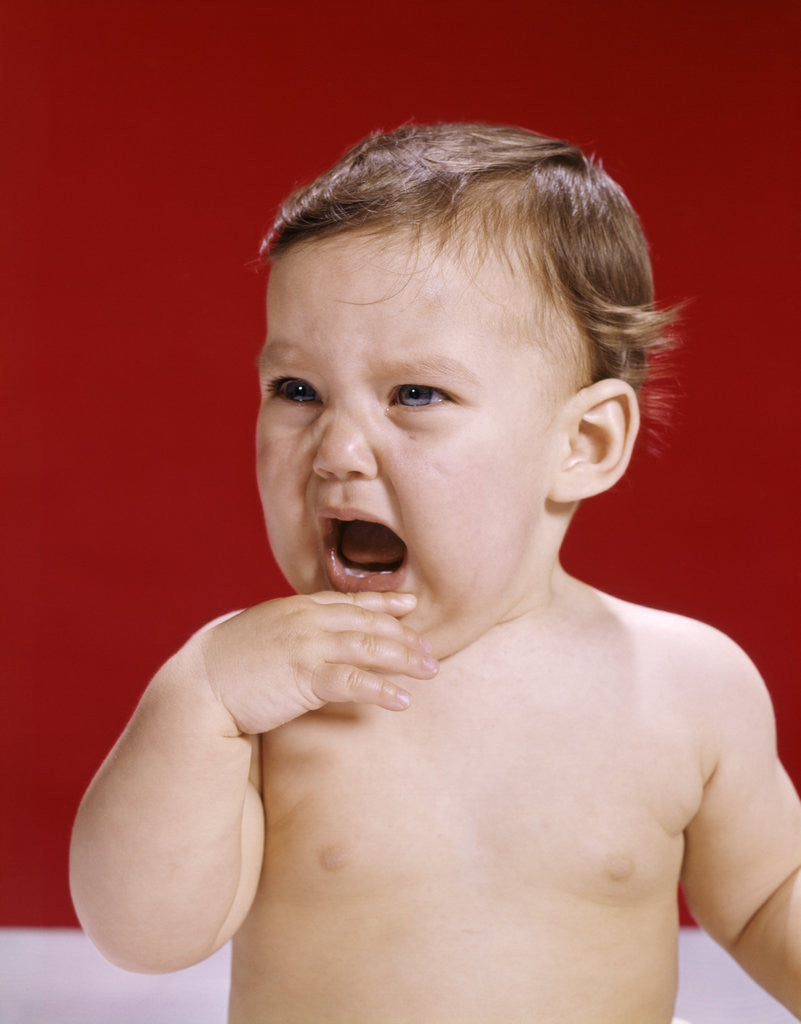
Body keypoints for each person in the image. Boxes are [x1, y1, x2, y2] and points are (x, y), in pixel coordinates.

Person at [69, 123, 801, 1023]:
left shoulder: (686, 684)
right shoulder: (262, 695)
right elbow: (141, 935)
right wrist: (199, 699)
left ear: (582, 443)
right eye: (296, 391)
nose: (336, 449)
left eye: (416, 394)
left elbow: (772, 900)